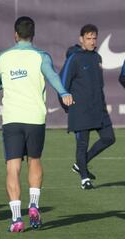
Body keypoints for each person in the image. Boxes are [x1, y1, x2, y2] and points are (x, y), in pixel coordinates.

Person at [0, 16, 73, 232]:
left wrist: (6, 82)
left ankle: (17, 219)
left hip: (12, 119)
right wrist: (64, 93)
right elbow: (53, 77)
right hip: (35, 118)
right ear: (33, 35)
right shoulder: (41, 56)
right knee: (34, 160)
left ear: (15, 34)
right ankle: (34, 204)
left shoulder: (4, 57)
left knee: (12, 167)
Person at [60, 24, 115, 190]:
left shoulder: (97, 58)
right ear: (81, 39)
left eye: (94, 38)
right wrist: (67, 106)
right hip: (80, 111)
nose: (92, 41)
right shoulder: (74, 58)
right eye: (88, 38)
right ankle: (84, 179)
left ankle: (80, 164)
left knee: (109, 138)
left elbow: (99, 85)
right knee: (82, 144)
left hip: (99, 109)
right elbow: (62, 84)